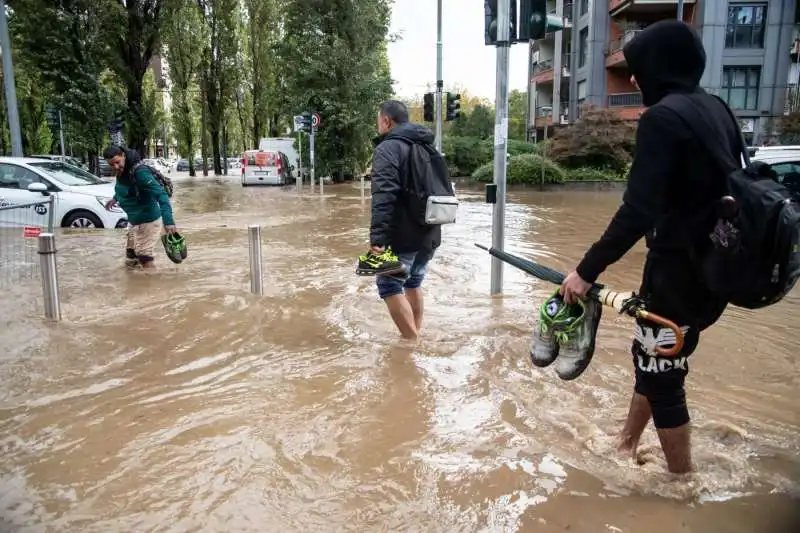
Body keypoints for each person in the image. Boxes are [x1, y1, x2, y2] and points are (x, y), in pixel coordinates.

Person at [558, 20, 738, 474]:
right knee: (654, 357)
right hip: (716, 268)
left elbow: (637, 211)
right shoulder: (717, 108)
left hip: (680, 272)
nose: (634, 79)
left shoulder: (662, 118)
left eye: (639, 69)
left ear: (661, 68)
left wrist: (585, 271)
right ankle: (625, 442)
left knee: (663, 376)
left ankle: (682, 482)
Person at [355, 100, 441, 341]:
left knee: (389, 285)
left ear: (386, 121)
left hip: (402, 233)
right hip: (431, 231)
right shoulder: (427, 146)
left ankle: (411, 344)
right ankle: (416, 334)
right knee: (413, 282)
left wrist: (378, 238)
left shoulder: (388, 148)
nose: (378, 126)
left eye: (378, 121)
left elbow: (384, 194)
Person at [103, 145, 177, 270]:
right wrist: (115, 198)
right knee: (131, 259)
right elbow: (123, 189)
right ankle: (135, 286)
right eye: (111, 165)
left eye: (117, 162)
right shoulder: (122, 172)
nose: (115, 167)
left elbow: (161, 195)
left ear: (123, 155)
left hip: (149, 221)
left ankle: (154, 287)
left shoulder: (140, 172)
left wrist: (169, 221)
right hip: (134, 222)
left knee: (144, 257)